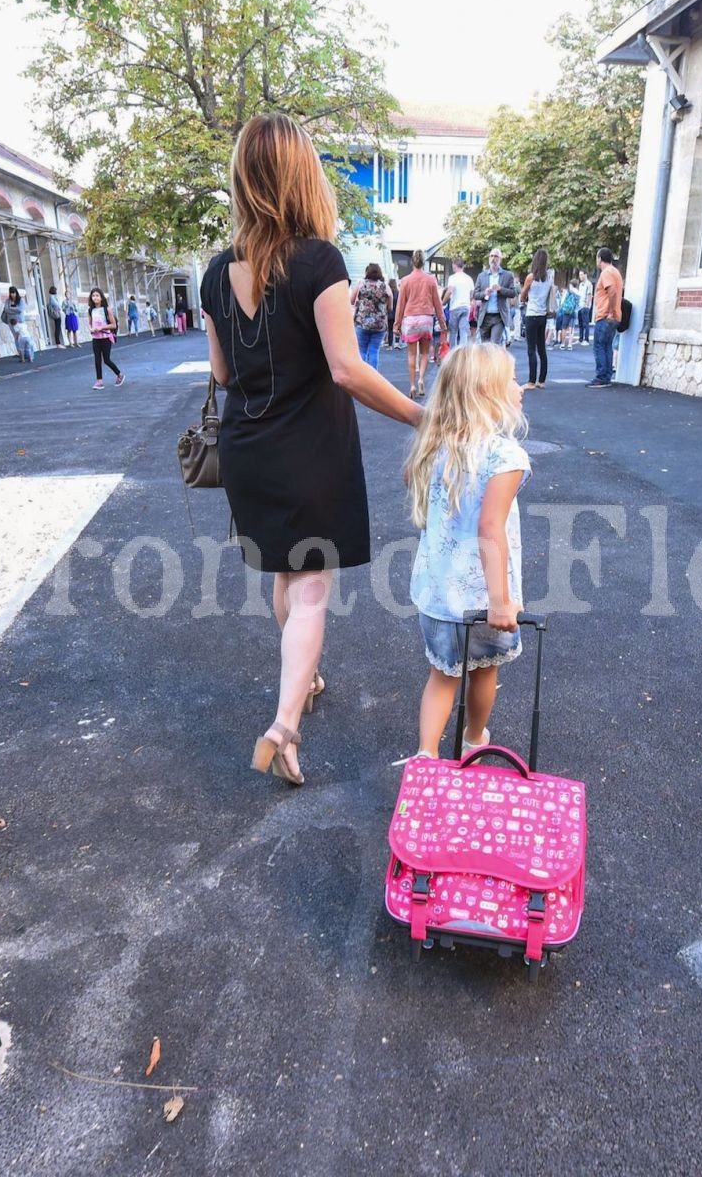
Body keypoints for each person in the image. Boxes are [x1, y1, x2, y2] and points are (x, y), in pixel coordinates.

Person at [201, 112, 423, 787]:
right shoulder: (320, 261)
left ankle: (306, 678)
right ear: (303, 177)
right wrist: (424, 414)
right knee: (313, 591)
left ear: (245, 179)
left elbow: (220, 374)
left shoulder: (214, 273)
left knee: (284, 576)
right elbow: (347, 369)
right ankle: (285, 723)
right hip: (309, 449)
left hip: (249, 449)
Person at [403, 342, 529, 759]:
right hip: (480, 597)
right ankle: (474, 741)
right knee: (484, 671)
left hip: (438, 594)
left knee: (441, 676)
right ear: (487, 393)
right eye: (511, 378)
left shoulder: (435, 447)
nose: (519, 385)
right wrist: (501, 601)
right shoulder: (504, 454)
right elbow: (490, 527)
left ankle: (426, 757)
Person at [395, 249, 447, 399]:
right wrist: (442, 323)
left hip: (410, 319)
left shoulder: (405, 280)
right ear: (424, 262)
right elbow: (437, 303)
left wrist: (396, 325)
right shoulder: (431, 280)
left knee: (412, 354)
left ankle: (411, 384)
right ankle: (421, 380)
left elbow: (400, 304)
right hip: (426, 318)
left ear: (412, 262)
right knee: (425, 353)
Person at [519, 249, 556, 390]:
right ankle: (542, 380)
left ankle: (531, 381)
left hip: (531, 314)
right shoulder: (549, 279)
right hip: (542, 315)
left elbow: (523, 295)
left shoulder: (531, 277)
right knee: (542, 349)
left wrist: (526, 299)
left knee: (531, 349)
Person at [589, 246, 623, 388]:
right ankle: (607, 375)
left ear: (600, 258)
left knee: (599, 346)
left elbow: (612, 291)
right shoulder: (616, 272)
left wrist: (610, 311)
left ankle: (601, 377)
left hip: (605, 316)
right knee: (607, 345)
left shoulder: (606, 273)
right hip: (615, 316)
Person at [472, 249, 517, 346]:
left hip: (499, 316)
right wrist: (485, 293)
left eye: (496, 256)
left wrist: (501, 289)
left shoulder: (507, 275)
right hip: (485, 316)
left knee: (494, 345)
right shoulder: (482, 276)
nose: (493, 259)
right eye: (491, 256)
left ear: (500, 259)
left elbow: (513, 293)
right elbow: (475, 294)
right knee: (484, 347)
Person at [350, 262, 391, 367]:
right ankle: (373, 374)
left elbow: (351, 300)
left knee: (362, 350)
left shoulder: (361, 283)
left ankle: (361, 376)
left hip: (362, 322)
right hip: (379, 324)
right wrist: (388, 307)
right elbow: (390, 296)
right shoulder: (384, 286)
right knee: (374, 351)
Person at [85, 287, 123, 388]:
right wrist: (91, 329)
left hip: (106, 337)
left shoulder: (107, 309)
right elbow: (89, 323)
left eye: (97, 295)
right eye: (93, 296)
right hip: (96, 338)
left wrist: (101, 327)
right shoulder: (90, 310)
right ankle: (99, 381)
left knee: (106, 360)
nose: (95, 297)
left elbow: (113, 325)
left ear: (101, 297)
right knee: (97, 359)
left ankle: (119, 374)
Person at [444, 258, 474, 348]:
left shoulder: (453, 278)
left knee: (453, 331)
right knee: (463, 331)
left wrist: (443, 302)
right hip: (465, 306)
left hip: (455, 307)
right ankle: (463, 353)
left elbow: (450, 291)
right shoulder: (469, 278)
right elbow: (472, 294)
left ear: (454, 265)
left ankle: (453, 352)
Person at [1, 286, 34, 362]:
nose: (13, 295)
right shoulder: (7, 301)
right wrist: (13, 310)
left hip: (20, 321)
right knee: (16, 337)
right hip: (11, 322)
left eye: (14, 293)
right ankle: (20, 353)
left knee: (23, 336)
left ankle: (27, 354)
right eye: (11, 293)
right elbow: (6, 309)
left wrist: (10, 309)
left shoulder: (21, 300)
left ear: (16, 293)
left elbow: (20, 309)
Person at [556, 279, 581, 350]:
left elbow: (563, 301)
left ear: (571, 285)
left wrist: (561, 308)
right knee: (571, 328)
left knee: (564, 327)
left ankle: (563, 344)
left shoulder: (568, 292)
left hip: (566, 311)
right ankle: (570, 344)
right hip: (574, 312)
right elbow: (579, 304)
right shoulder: (578, 293)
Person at [576, 271, 594, 344]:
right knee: (580, 323)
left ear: (585, 275)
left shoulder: (589, 284)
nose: (580, 276)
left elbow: (589, 295)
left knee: (585, 323)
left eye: (581, 275)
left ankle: (586, 339)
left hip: (585, 306)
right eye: (579, 275)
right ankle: (580, 338)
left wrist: (587, 304)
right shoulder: (580, 284)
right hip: (580, 306)